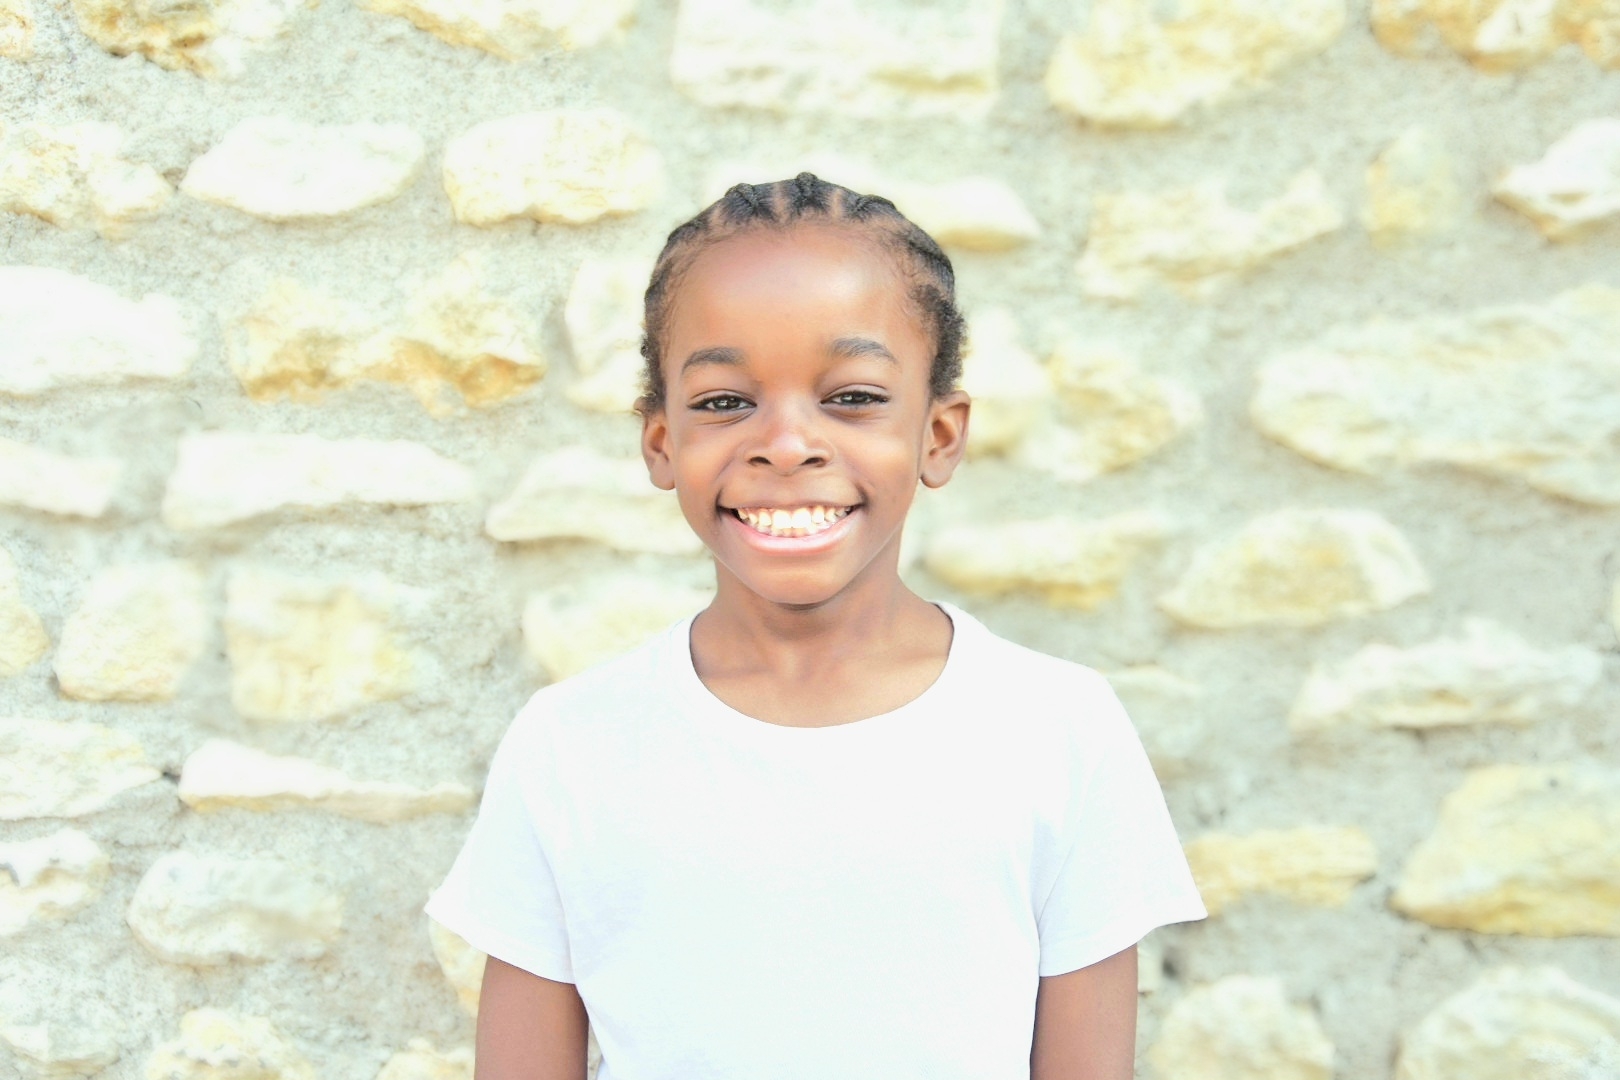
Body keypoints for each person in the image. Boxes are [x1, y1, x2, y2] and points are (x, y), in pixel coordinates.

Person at [425, 173, 1207, 1080]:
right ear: (662, 442)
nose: (788, 444)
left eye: (853, 397)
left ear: (939, 435)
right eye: (724, 402)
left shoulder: (1059, 728)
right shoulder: (571, 745)